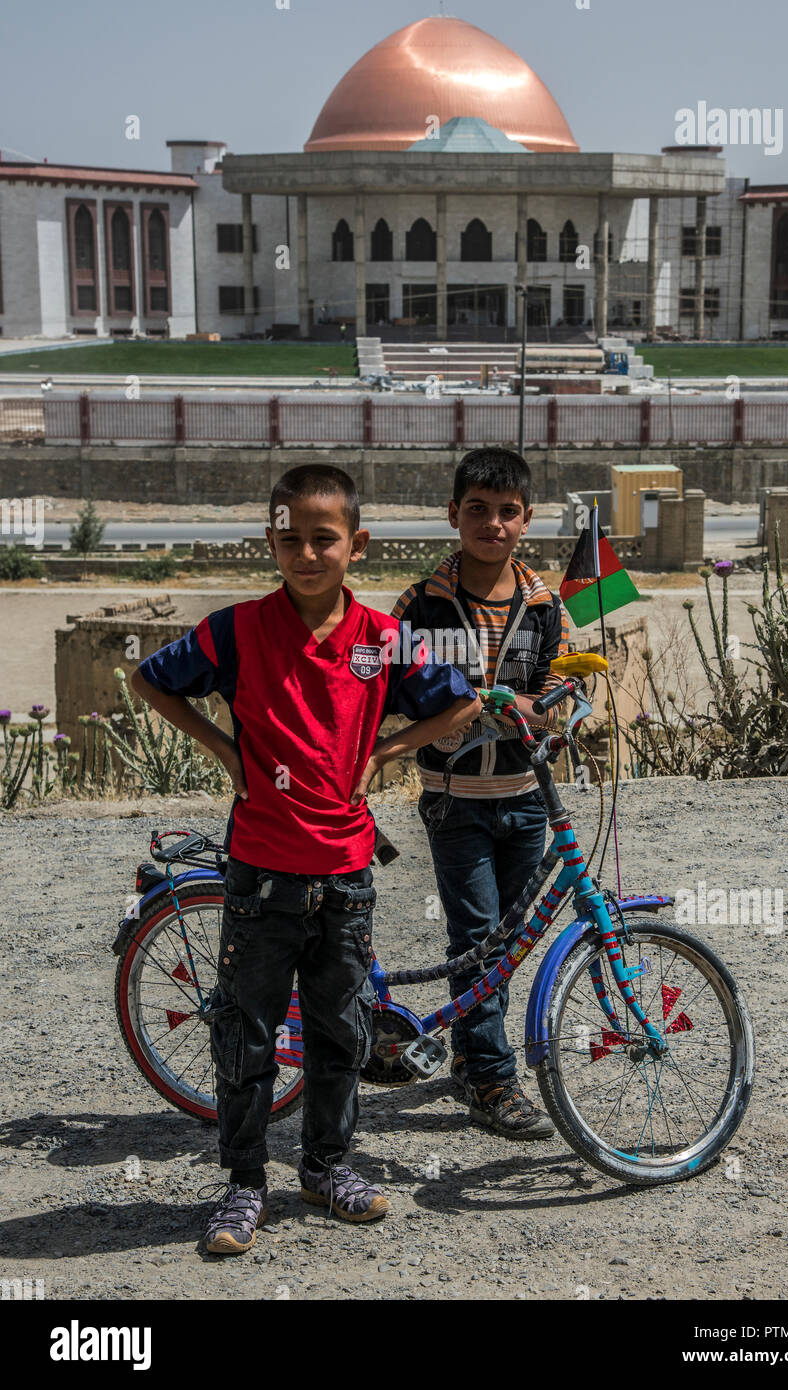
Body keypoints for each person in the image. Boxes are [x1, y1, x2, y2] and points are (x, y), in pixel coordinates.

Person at [131, 464, 479, 1251]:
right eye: (290, 539)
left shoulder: (383, 641)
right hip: (259, 874)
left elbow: (461, 700)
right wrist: (226, 751)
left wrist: (389, 751)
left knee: (340, 1034)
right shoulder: (237, 629)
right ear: (270, 542)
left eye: (324, 539)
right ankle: (244, 1183)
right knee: (247, 1035)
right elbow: (153, 680)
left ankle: (326, 1168)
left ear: (356, 544)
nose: (306, 553)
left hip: (347, 875)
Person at [391, 448, 570, 1139]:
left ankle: (469, 1057)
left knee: (509, 942)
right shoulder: (423, 602)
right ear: (452, 515)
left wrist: (543, 707)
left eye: (505, 512)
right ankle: (494, 1082)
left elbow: (556, 691)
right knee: (478, 940)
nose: (490, 524)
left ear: (525, 519)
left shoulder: (542, 602)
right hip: (452, 797)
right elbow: (395, 688)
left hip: (525, 795)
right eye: (476, 510)